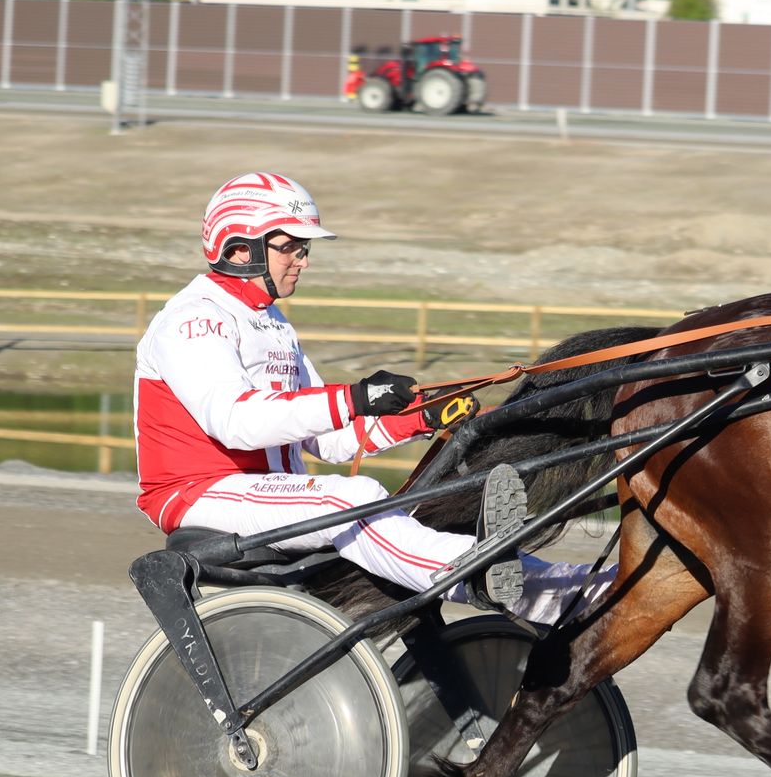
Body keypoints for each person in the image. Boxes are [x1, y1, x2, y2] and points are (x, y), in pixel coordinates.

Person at [132, 170, 610, 624]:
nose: (303, 260)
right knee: (353, 498)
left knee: (410, 501)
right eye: (291, 247)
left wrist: (422, 416)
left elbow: (330, 439)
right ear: (239, 249)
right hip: (196, 494)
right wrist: (357, 397)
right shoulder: (193, 320)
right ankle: (503, 582)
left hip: (261, 492)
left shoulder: (271, 324)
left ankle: (554, 583)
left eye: (304, 248)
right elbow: (236, 422)